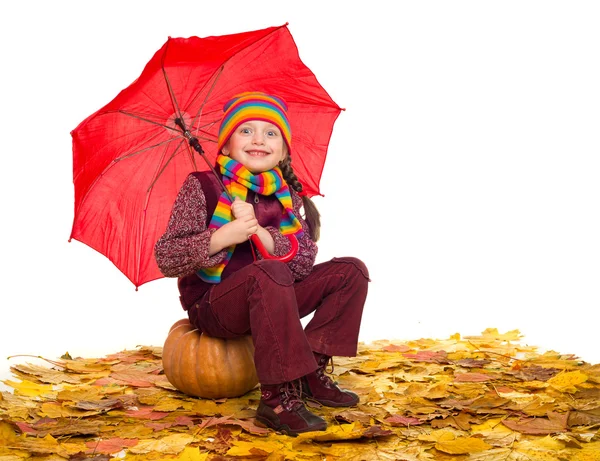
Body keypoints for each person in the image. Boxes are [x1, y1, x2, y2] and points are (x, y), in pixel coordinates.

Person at [154, 92, 370, 436]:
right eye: (246, 131)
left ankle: (309, 372)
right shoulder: (202, 186)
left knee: (351, 271)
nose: (258, 139)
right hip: (215, 306)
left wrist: (263, 235)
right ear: (225, 146)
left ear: (283, 150)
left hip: (276, 297)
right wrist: (226, 235)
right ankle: (276, 398)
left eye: (270, 133)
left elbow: (301, 264)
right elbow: (167, 257)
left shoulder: (287, 195)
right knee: (268, 272)